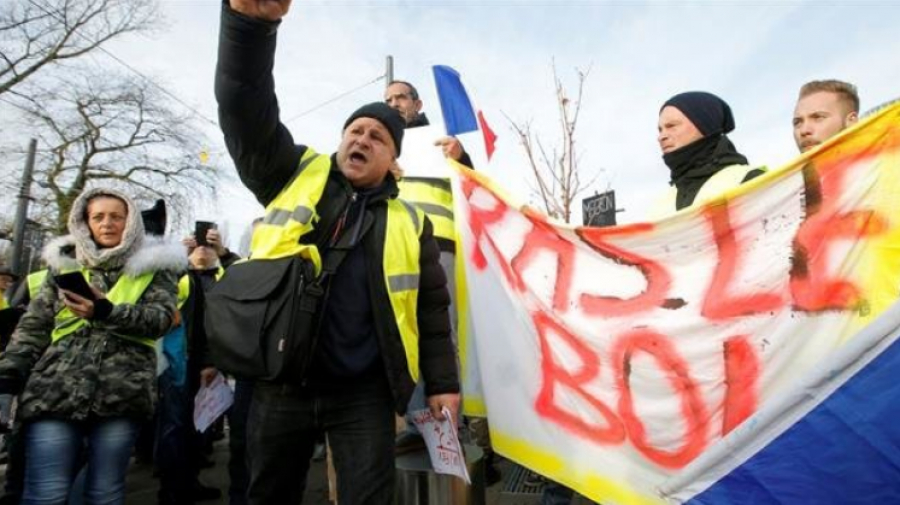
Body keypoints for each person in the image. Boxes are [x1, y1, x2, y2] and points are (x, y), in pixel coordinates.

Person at [216, 2, 461, 504]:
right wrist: (249, 27)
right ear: (341, 140)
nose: (363, 139)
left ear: (393, 159)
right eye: (356, 131)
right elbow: (245, 105)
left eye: (377, 137)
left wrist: (443, 385)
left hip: (364, 395)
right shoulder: (291, 173)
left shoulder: (411, 223)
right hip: (281, 386)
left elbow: (432, 315)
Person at [0, 187, 183, 505]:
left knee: (104, 493)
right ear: (84, 222)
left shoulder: (158, 267)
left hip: (122, 393)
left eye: (117, 217)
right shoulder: (63, 264)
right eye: (98, 217)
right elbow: (34, 327)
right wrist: (8, 376)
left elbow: (161, 319)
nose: (107, 223)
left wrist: (105, 311)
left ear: (131, 223)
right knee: (46, 493)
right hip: (54, 392)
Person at [652, 91, 765, 215]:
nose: (661, 137)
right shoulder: (661, 205)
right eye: (660, 130)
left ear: (704, 126)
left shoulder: (751, 180)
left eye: (671, 126)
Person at [792, 79, 859, 153]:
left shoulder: (872, 163)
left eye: (818, 117)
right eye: (797, 122)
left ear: (852, 121)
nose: (804, 130)